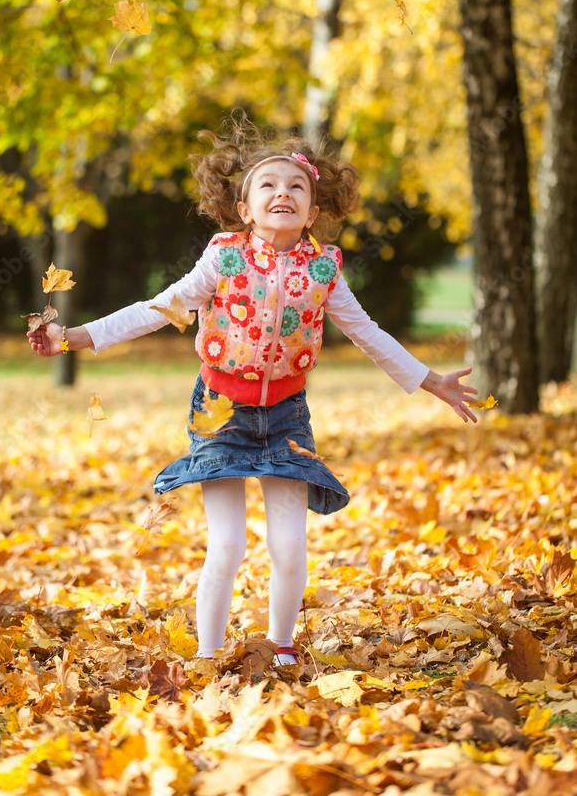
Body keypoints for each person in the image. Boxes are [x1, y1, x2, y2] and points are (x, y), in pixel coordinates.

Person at [27, 122, 480, 665]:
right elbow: (160, 308)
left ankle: (282, 649)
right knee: (228, 546)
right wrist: (73, 337)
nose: (282, 193)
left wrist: (431, 380)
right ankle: (209, 656)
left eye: (296, 187)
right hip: (220, 413)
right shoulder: (225, 258)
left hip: (286, 417)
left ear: (312, 213)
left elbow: (369, 334)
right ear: (245, 209)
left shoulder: (323, 270)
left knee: (288, 548)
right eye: (268, 185)